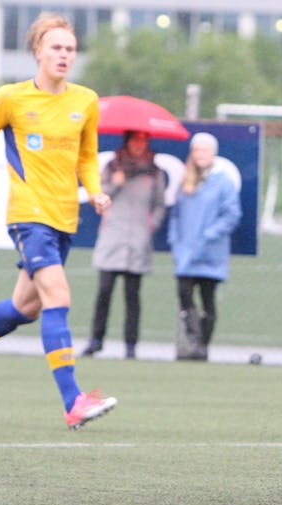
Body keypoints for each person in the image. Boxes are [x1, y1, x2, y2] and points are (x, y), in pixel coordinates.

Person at [0, 11, 117, 430]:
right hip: (28, 215)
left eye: (70, 49)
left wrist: (95, 191)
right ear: (38, 51)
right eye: (56, 47)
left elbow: (88, 156)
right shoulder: (10, 98)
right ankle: (73, 400)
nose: (64, 55)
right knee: (58, 296)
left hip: (64, 219)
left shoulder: (85, 101)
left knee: (26, 307)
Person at [82, 130, 167, 360]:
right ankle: (95, 340)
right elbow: (98, 197)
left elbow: (160, 204)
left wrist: (151, 224)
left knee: (132, 296)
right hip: (113, 238)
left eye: (142, 141)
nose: (138, 145)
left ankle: (131, 345)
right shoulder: (111, 167)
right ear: (127, 142)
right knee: (104, 293)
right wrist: (115, 184)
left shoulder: (155, 171)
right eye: (134, 140)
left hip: (138, 241)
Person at [167, 132, 242, 361]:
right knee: (185, 297)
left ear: (213, 153)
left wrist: (209, 235)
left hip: (211, 253)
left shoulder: (223, 182)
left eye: (205, 150)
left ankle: (202, 346)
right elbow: (176, 217)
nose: (200, 154)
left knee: (208, 299)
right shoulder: (185, 182)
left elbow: (232, 215)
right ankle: (195, 342)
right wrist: (175, 242)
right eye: (197, 150)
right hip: (186, 254)